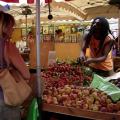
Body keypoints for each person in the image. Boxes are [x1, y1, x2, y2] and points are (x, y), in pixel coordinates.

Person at [0, 11, 30, 120]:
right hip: (6, 99)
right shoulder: (7, 46)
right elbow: (26, 75)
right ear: (4, 27)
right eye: (12, 26)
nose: (13, 29)